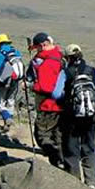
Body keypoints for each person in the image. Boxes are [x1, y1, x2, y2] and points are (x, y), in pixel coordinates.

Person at [53, 44, 95, 189]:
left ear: (67, 57)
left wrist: (67, 97)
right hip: (90, 116)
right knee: (89, 147)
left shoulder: (65, 72)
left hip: (71, 117)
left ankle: (74, 183)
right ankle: (91, 182)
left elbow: (55, 94)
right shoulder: (93, 71)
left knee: (71, 149)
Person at [27, 32, 65, 166]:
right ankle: (63, 162)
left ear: (43, 45)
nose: (36, 50)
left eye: (37, 48)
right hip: (61, 104)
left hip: (47, 105)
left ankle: (56, 161)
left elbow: (46, 87)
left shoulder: (48, 63)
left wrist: (31, 86)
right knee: (58, 135)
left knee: (42, 135)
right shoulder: (59, 57)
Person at [0, 34, 23, 130]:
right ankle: (9, 123)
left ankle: (7, 119)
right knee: (11, 101)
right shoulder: (16, 52)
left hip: (3, 80)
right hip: (16, 80)